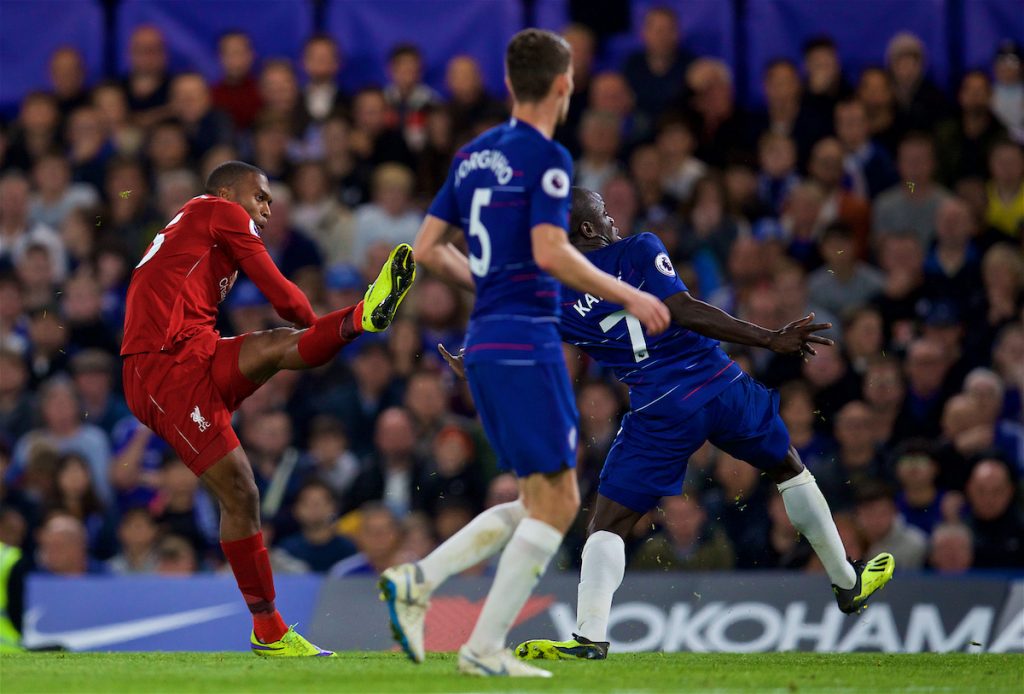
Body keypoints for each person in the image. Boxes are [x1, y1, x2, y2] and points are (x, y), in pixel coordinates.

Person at [443, 186, 895, 662]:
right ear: (588, 229)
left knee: (609, 524)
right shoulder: (638, 249)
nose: (613, 218)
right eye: (603, 212)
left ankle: (591, 637)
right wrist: (768, 338)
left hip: (660, 408)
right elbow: (682, 309)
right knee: (788, 467)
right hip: (719, 383)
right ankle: (846, 581)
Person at [381, 29, 669, 678]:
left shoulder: (474, 155)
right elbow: (550, 250)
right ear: (564, 87)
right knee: (561, 502)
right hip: (525, 338)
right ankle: (478, 643)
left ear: (511, 84)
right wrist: (631, 293)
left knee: (542, 495)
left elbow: (426, 249)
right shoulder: (548, 157)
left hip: (485, 336)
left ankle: (422, 584)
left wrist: (493, 285)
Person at [119, 160, 416, 656]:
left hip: (196, 351)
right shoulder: (219, 211)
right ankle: (269, 629)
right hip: (161, 368)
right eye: (261, 197)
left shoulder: (195, 228)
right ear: (228, 191)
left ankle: (363, 315)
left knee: (278, 347)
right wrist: (317, 326)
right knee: (241, 491)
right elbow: (283, 295)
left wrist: (316, 333)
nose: (268, 208)